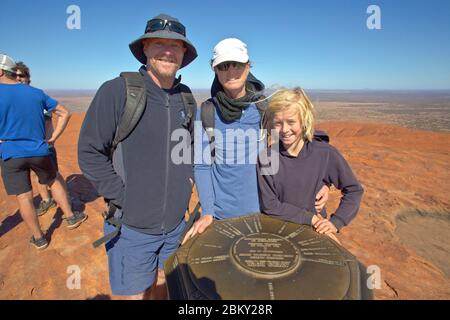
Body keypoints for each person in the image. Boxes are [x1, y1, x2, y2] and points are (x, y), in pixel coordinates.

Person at [78, 14, 197, 300]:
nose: (168, 51)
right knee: (136, 294)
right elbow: (90, 151)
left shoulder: (186, 98)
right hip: (132, 227)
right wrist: (123, 197)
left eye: (176, 46)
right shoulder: (118, 91)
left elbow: (189, 150)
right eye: (159, 43)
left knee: (167, 287)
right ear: (144, 48)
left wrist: (188, 185)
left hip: (176, 225)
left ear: (183, 53)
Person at [182, 39, 329, 244]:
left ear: (248, 66)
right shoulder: (206, 112)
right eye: (224, 66)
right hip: (223, 217)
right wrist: (207, 211)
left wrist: (323, 181)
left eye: (237, 64)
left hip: (268, 213)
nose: (231, 71)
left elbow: (300, 141)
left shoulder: (264, 108)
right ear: (215, 69)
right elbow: (202, 165)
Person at [0, 54, 87, 250]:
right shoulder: (35, 93)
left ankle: (39, 237)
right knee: (53, 180)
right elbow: (65, 112)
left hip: (10, 153)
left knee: (24, 197)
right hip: (39, 149)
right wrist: (53, 137)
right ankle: (71, 217)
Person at [257, 88, 364, 241]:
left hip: (314, 232)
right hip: (277, 231)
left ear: (304, 120)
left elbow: (354, 190)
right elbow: (270, 205)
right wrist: (311, 218)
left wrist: (336, 222)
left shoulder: (324, 153)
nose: (285, 130)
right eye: (278, 123)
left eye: (291, 122)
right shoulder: (267, 157)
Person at [15, 61, 65, 216]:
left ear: (27, 78)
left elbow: (51, 118)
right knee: (36, 175)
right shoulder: (12, 99)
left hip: (44, 145)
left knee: (54, 176)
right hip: (24, 148)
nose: (18, 79)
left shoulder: (36, 97)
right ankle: (46, 200)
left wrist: (51, 139)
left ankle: (66, 204)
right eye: (15, 76)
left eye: (21, 76)